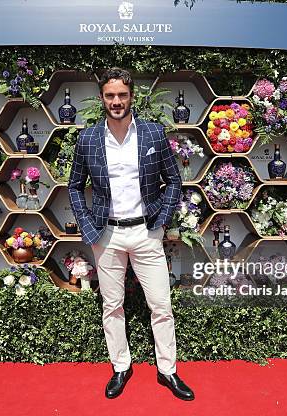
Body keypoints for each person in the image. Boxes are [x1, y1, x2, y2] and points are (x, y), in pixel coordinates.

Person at [68, 67, 194, 401]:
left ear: (131, 96)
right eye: (110, 95)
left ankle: (168, 370)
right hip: (106, 235)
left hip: (146, 232)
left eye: (122, 95)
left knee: (161, 305)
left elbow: (174, 181)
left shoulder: (153, 134)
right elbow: (75, 186)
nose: (116, 101)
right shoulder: (89, 138)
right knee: (112, 306)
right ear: (102, 99)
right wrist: (89, 227)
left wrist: (163, 219)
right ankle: (120, 367)